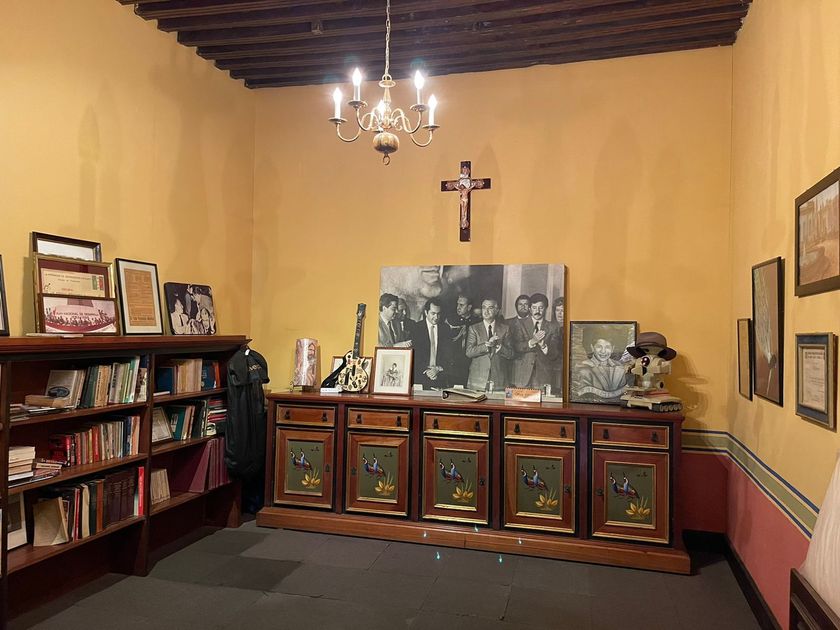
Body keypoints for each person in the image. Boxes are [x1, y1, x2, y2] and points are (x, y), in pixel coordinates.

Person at [511, 293, 561, 389]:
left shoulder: (553, 327)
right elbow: (516, 347)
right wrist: (532, 342)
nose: (537, 311)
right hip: (522, 375)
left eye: (541, 308)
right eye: (534, 308)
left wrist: (543, 346)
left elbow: (554, 354)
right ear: (530, 309)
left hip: (543, 376)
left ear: (545, 309)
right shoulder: (519, 324)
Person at [573, 325, 632, 403]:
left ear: (612, 349)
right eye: (599, 347)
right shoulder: (583, 369)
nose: (603, 351)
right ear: (592, 347)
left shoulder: (620, 368)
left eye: (607, 347)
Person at [465, 298, 513, 391]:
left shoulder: (505, 329)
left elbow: (511, 354)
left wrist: (499, 347)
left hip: (499, 379)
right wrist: (486, 346)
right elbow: (469, 352)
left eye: (490, 308)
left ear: (497, 310)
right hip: (478, 379)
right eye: (484, 308)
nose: (486, 311)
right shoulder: (474, 328)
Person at [410, 298, 453, 389]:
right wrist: (427, 371)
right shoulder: (416, 328)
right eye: (433, 313)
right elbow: (413, 355)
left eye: (438, 314)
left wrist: (438, 369)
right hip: (420, 376)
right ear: (426, 312)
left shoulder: (445, 329)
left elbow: (449, 355)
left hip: (440, 377)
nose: (436, 317)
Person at [445, 294, 480, 387]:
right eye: (457, 304)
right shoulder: (451, 321)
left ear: (469, 307)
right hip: (453, 367)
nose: (458, 307)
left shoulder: (477, 323)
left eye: (461, 305)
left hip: (471, 366)